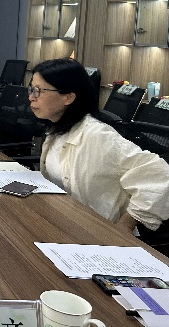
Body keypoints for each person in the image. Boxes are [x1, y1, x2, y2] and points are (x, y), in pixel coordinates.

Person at [29, 58, 169, 235]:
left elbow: (161, 176)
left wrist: (125, 227)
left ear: (68, 97)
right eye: (31, 89)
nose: (31, 97)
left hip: (94, 233)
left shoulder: (98, 136)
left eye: (39, 91)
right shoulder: (57, 128)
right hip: (63, 222)